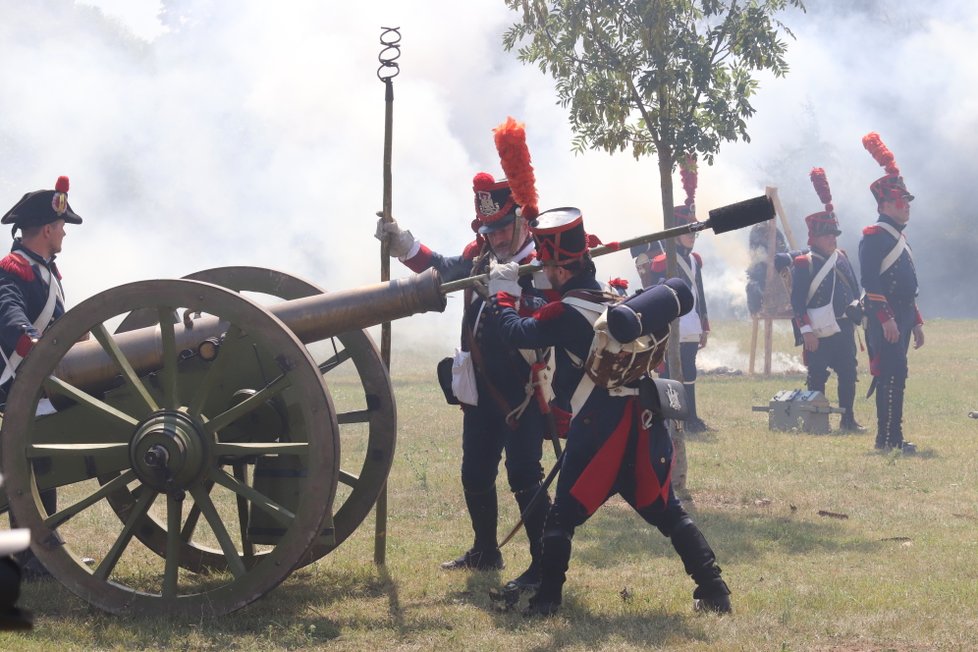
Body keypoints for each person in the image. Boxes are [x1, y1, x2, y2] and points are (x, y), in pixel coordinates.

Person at [488, 207, 731, 616]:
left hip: (598, 429)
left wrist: (501, 294)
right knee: (667, 511)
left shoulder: (564, 313)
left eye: (547, 266)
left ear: (561, 270)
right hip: (640, 422)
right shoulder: (613, 299)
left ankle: (547, 600)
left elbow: (515, 331)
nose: (544, 272)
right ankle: (715, 590)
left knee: (560, 519)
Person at [375, 163, 552, 591]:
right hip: (481, 385)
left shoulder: (542, 264)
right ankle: (485, 550)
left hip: (525, 389)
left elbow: (547, 319)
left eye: (501, 228)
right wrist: (402, 243)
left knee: (524, 473)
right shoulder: (479, 257)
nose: (494, 237)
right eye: (488, 229)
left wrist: (511, 292)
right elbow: (436, 267)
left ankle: (544, 563)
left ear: (521, 221)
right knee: (474, 472)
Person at [0, 175, 83, 579]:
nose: (65, 231)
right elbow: (8, 313)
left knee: (42, 465)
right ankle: (31, 555)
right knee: (29, 467)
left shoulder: (46, 271)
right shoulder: (13, 269)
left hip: (44, 383)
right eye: (62, 225)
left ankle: (38, 552)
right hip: (20, 382)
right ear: (47, 229)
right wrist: (34, 343)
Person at [859, 132, 924, 453]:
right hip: (885, 316)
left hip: (903, 315)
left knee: (899, 375)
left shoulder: (898, 237)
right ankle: (885, 440)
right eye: (901, 202)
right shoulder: (873, 236)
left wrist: (916, 319)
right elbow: (870, 282)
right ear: (885, 204)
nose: (906, 207)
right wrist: (886, 319)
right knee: (889, 374)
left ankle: (894, 437)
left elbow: (908, 284)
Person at [639, 157, 712, 432]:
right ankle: (672, 418)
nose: (692, 237)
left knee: (690, 372)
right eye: (688, 232)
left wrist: (704, 325)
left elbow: (700, 295)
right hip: (672, 326)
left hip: (691, 324)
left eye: (694, 233)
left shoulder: (695, 260)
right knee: (671, 373)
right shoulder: (661, 261)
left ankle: (691, 417)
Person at [790, 168, 864, 432]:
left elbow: (855, 289)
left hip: (844, 327)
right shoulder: (804, 263)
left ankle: (848, 419)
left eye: (834, 234)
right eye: (828, 235)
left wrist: (859, 309)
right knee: (818, 374)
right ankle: (817, 421)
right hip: (818, 331)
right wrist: (806, 332)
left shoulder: (841, 257)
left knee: (848, 373)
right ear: (815, 237)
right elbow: (797, 303)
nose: (833, 238)